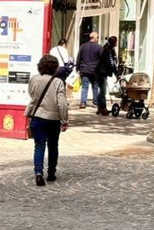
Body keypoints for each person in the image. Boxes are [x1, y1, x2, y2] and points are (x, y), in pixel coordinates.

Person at [26, 53, 70, 186]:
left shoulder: (34, 79)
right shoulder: (58, 82)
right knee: (53, 146)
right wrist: (64, 120)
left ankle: (38, 173)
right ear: (55, 68)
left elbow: (31, 95)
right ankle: (51, 173)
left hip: (37, 116)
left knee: (39, 146)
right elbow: (62, 103)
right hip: (53, 118)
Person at [77, 31, 103, 111]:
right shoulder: (99, 47)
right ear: (94, 38)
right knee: (95, 86)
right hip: (95, 70)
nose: (98, 38)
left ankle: (83, 102)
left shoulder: (83, 46)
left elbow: (79, 57)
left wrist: (77, 68)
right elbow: (102, 59)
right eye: (97, 37)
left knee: (84, 86)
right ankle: (95, 102)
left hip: (84, 69)